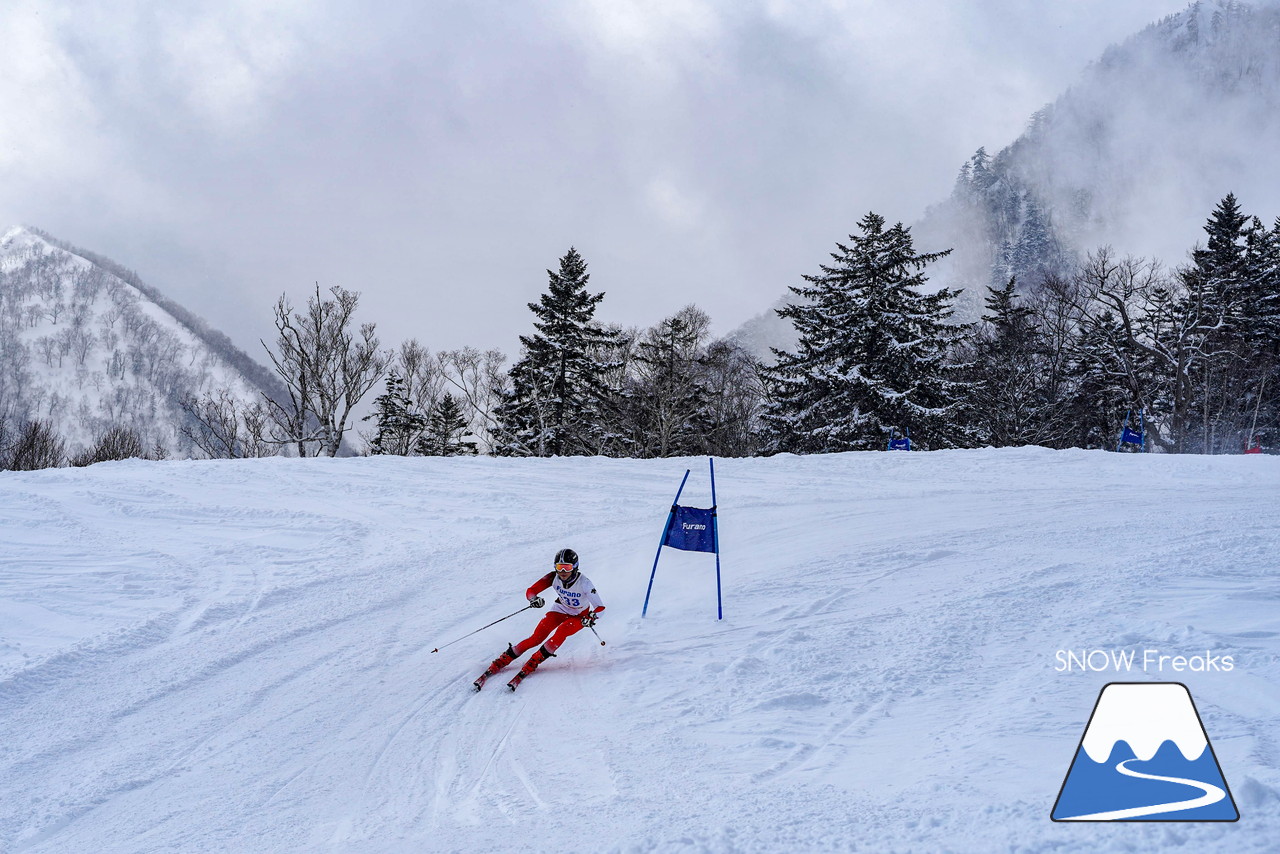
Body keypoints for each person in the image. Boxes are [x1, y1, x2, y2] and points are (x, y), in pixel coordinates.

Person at [473, 547, 605, 692]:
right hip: (559, 610)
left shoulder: (585, 583)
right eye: (559, 567)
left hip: (580, 617)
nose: (563, 572)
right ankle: (503, 659)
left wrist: (591, 617)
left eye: (567, 567)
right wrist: (534, 599)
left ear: (575, 567)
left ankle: (533, 662)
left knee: (561, 632)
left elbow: (600, 608)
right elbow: (531, 591)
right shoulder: (552, 577)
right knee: (536, 638)